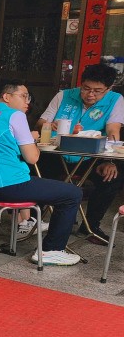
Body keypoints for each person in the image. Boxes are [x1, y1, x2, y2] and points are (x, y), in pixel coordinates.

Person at [0, 81, 82, 266]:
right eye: (23, 96)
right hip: (6, 186)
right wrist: (32, 141)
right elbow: (32, 158)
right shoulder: (14, 115)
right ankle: (51, 250)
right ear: (6, 97)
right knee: (72, 193)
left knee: (34, 183)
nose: (27, 101)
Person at [36, 63, 124, 244]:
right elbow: (41, 121)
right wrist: (48, 125)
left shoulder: (116, 100)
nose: (91, 94)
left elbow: (113, 129)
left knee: (112, 177)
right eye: (86, 89)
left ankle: (90, 226)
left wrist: (111, 161)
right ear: (81, 84)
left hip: (91, 159)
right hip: (56, 154)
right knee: (34, 170)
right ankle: (32, 219)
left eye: (98, 91)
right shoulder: (64, 96)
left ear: (109, 88)